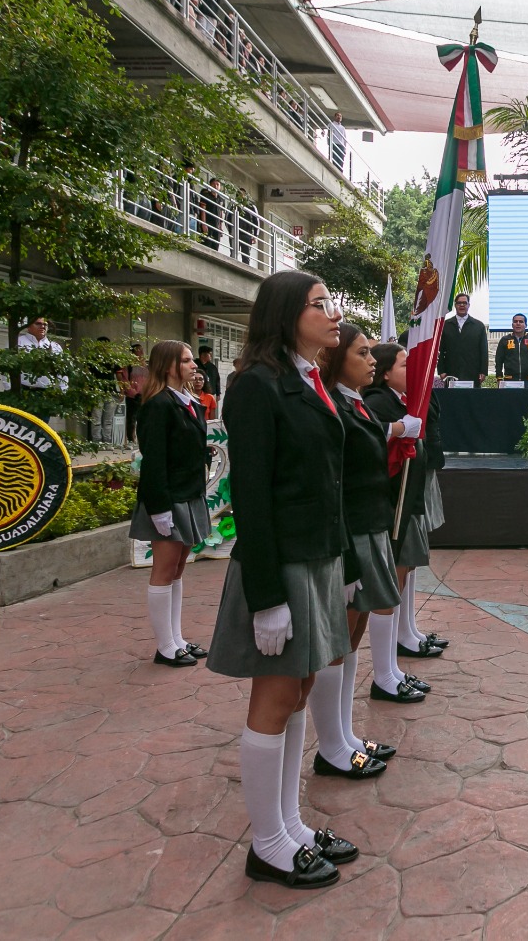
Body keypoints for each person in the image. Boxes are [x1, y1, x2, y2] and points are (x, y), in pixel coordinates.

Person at [205, 270, 357, 890]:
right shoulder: (256, 387)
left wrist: (340, 564)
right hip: (282, 566)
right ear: (287, 313)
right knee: (272, 700)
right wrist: (267, 599)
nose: (334, 314)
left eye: (331, 304)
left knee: (297, 694)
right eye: (320, 305)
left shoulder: (307, 379)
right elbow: (255, 498)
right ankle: (266, 842)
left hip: (316, 558)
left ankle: (289, 823)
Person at [317, 325, 417, 777]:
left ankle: (345, 734)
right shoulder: (334, 402)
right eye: (362, 352)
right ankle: (332, 746)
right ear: (338, 360)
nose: (372, 360)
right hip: (352, 527)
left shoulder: (353, 400)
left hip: (370, 521)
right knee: (340, 638)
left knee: (352, 636)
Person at [365, 343, 448, 690]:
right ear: (385, 372)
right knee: (389, 585)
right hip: (390, 505)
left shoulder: (399, 401)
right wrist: (398, 428)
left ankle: (395, 662)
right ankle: (384, 674)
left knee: (404, 571)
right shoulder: (378, 403)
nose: (410, 371)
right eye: (403, 365)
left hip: (407, 501)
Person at [130, 341, 211, 668]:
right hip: (168, 498)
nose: (194, 366)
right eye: (187, 360)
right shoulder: (158, 405)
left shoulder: (186, 401)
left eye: (193, 360)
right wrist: (159, 509)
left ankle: (176, 639)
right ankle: (165, 646)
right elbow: (154, 462)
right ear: (168, 366)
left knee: (178, 569)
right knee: (164, 570)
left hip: (188, 494)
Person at [437, 293, 488, 385]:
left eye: (464, 303)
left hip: (472, 372)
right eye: (459, 303)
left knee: (472, 398)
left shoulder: (478, 326)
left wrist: (483, 371)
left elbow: (483, 351)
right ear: (455, 305)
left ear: (468, 305)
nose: (462, 305)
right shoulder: (445, 325)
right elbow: (439, 350)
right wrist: (441, 371)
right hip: (450, 372)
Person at [17, 316, 66, 391]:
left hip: (47, 392)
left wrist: (63, 391)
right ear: (29, 326)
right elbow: (7, 368)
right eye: (38, 324)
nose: (42, 326)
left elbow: (62, 371)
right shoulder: (18, 342)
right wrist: (9, 388)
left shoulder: (55, 346)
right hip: (23, 390)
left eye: (45, 324)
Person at [493, 314, 528, 386]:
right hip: (509, 381)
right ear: (512, 325)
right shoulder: (504, 340)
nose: (518, 323)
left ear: (526, 325)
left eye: (521, 321)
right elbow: (499, 361)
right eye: (515, 321)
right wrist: (499, 378)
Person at [120, 344, 148, 444]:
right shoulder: (128, 365)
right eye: (138, 350)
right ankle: (131, 439)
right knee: (132, 418)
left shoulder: (146, 366)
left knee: (144, 419)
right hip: (133, 397)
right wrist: (134, 393)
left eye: (141, 350)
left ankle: (142, 439)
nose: (141, 352)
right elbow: (125, 381)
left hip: (145, 396)